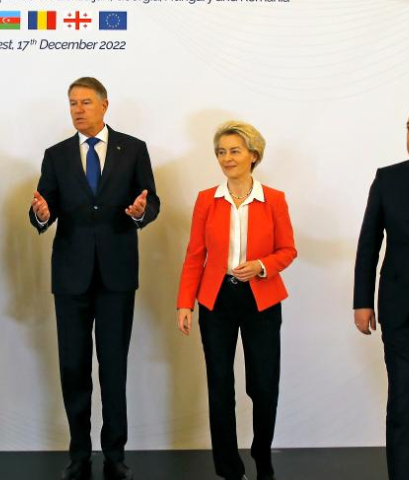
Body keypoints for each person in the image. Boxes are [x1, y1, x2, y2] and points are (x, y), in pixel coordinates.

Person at [29, 77, 159, 480]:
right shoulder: (56, 155)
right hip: (70, 277)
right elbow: (41, 207)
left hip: (117, 275)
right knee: (74, 367)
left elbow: (151, 202)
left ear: (105, 105)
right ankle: (79, 453)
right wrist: (41, 215)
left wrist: (140, 211)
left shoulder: (133, 149)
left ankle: (115, 454)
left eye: (86, 102)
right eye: (72, 103)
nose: (78, 109)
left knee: (113, 366)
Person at [176, 120, 296, 480]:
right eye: (221, 152)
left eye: (235, 151)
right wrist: (185, 302)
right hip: (217, 300)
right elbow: (195, 255)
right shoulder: (206, 200)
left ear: (253, 155)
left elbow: (288, 250)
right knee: (219, 384)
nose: (227, 158)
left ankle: (262, 453)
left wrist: (261, 266)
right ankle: (229, 469)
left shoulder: (274, 199)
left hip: (261, 299)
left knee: (262, 383)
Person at [354, 101, 409, 480]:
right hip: (399, 306)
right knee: (402, 398)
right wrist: (362, 302)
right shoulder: (388, 178)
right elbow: (369, 243)